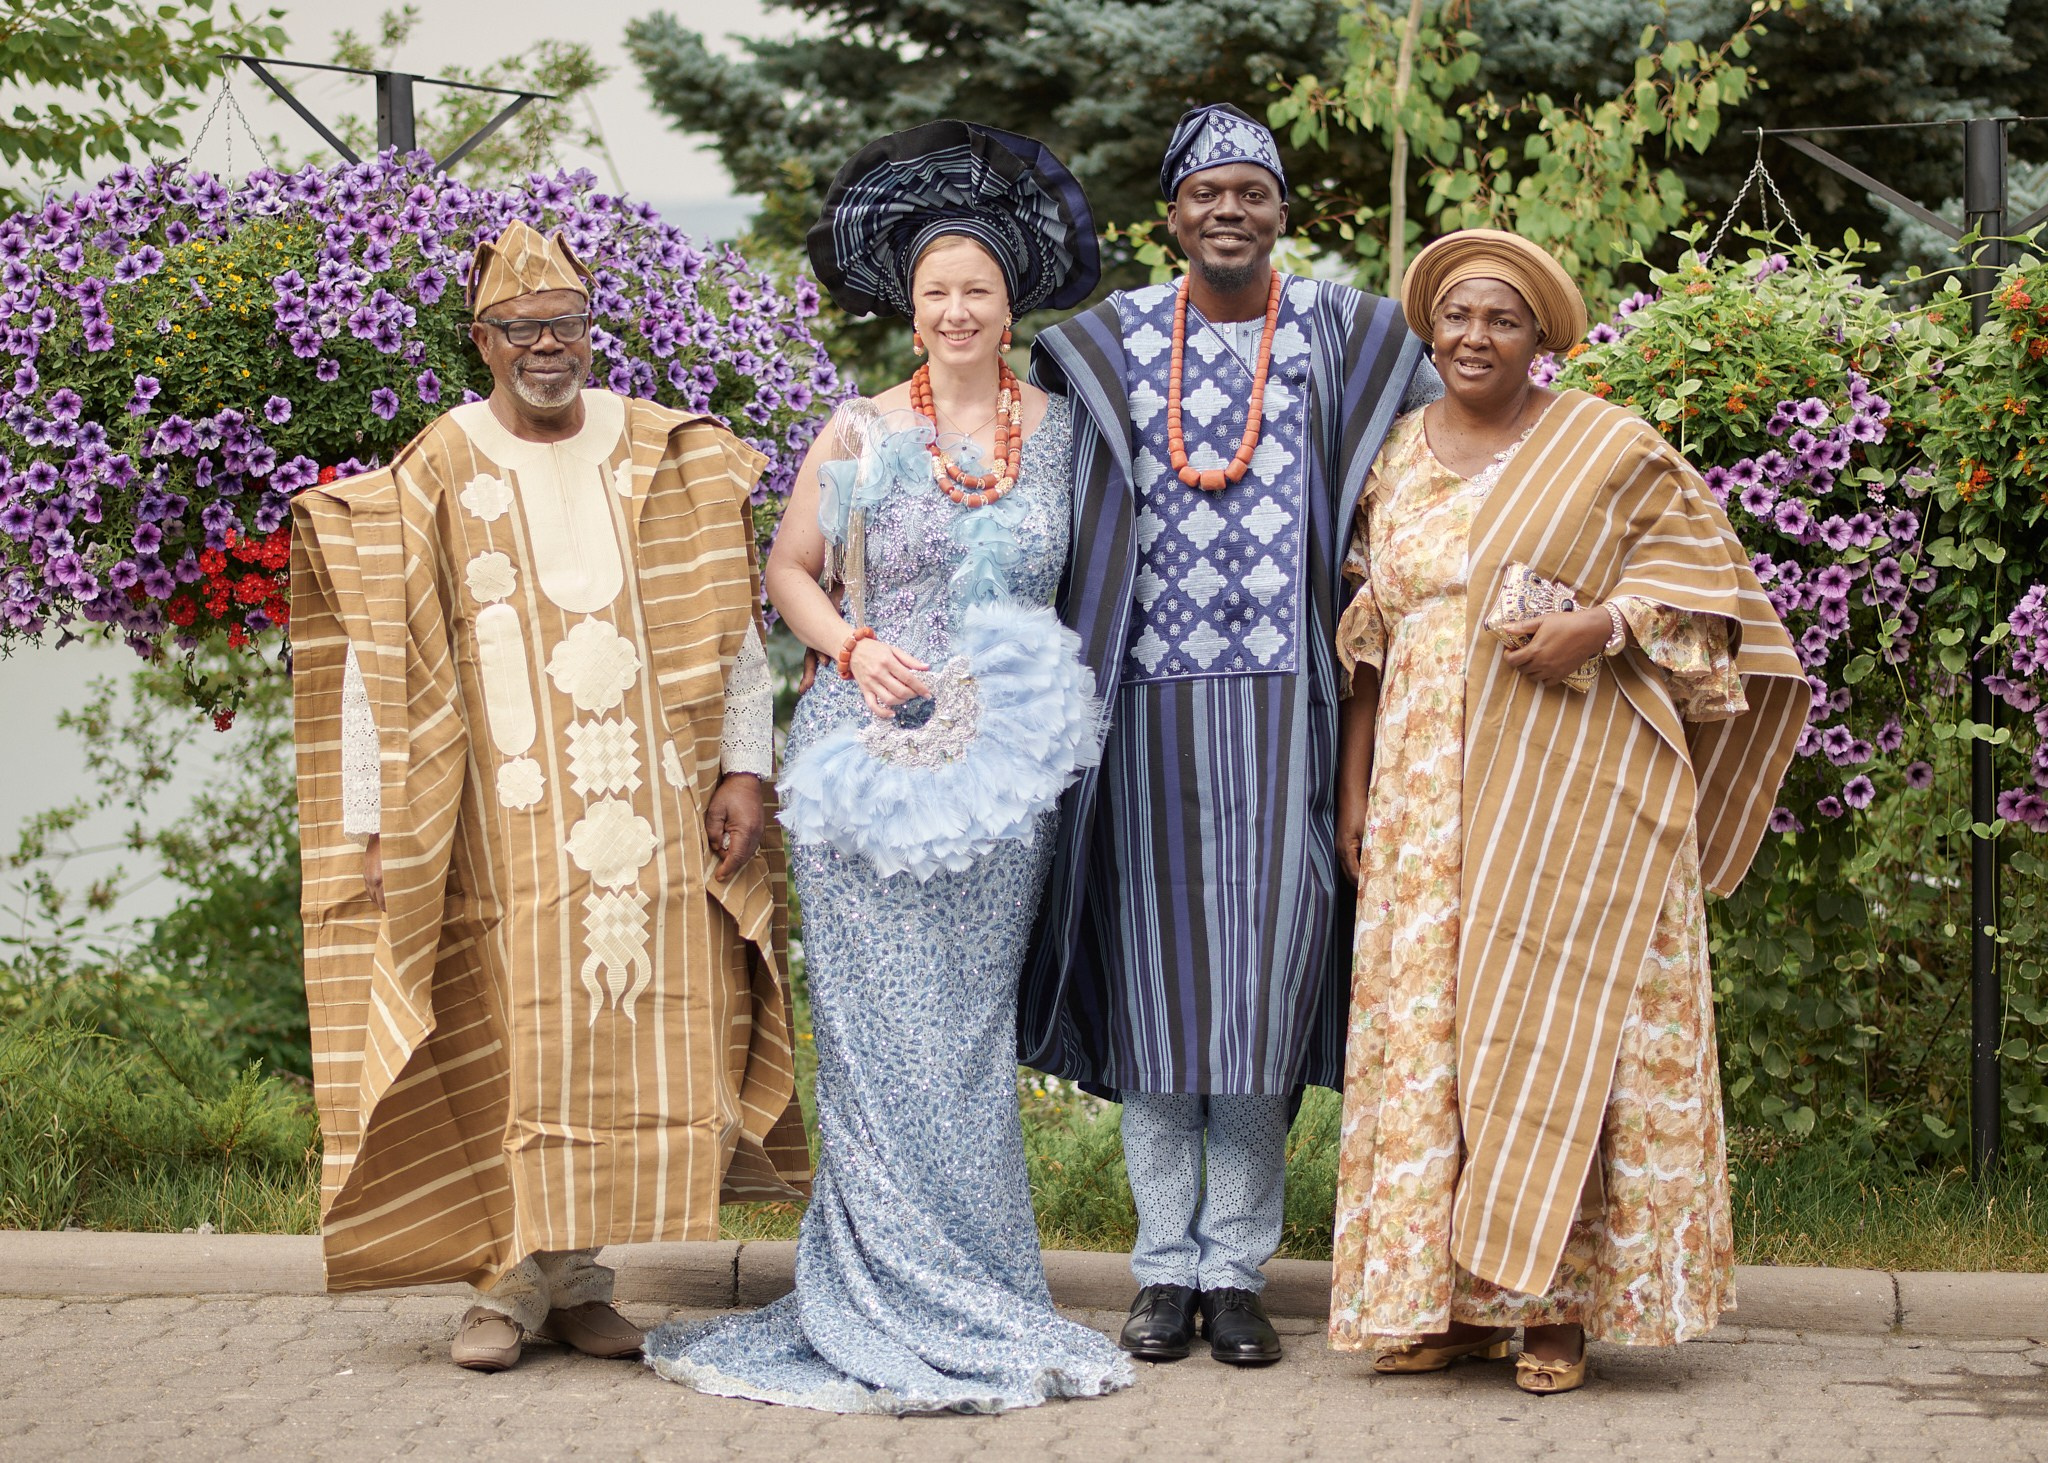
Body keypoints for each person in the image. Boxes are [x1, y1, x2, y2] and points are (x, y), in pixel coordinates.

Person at [643, 120, 1134, 1414]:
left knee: (964, 1037)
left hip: (1000, 778)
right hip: (862, 763)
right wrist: (852, 647)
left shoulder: (1066, 435)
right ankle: (870, 1292)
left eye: (977, 289)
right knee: (870, 1041)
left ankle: (975, 1283)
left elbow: (1096, 588)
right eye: (935, 292)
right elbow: (787, 569)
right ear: (909, 310)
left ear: (1010, 304)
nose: (957, 310)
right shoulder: (857, 431)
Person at [291, 220, 810, 1374]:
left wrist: (743, 766)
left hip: (651, 809)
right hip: (497, 820)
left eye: (564, 324)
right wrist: (372, 821)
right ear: (480, 341)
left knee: (618, 1043)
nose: (545, 346)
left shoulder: (666, 453)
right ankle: (501, 1285)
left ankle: (576, 1279)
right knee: (510, 1037)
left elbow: (732, 626)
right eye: (519, 328)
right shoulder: (439, 463)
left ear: (590, 332)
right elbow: (381, 652)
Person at [1325, 228, 1808, 1394]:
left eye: (1500, 318)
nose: (1473, 337)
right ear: (1427, 329)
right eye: (1455, 316)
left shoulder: (1604, 445)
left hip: (1570, 794)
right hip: (1426, 807)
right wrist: (1351, 787)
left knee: (1557, 1019)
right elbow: (1370, 638)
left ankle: (1553, 1305)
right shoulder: (1391, 456)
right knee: (1437, 1040)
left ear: (1538, 336)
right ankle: (1445, 1299)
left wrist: (1600, 623)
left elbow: (1711, 591)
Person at [1016, 103, 1439, 1368]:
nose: (1229, 211)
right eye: (1206, 193)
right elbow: (1024, 475)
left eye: (1252, 191)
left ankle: (1237, 1269)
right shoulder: (1102, 343)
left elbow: (1445, 448)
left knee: (1260, 997)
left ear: (1281, 211)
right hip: (1139, 711)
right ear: (1172, 215)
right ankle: (1161, 1268)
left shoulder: (1351, 332)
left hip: (1288, 712)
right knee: (1153, 996)